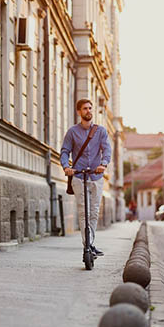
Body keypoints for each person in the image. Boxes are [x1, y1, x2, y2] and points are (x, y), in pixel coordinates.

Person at [60, 98, 112, 259]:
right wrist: (66, 167)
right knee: (83, 213)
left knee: (94, 213)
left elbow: (106, 149)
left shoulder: (101, 131)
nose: (88, 111)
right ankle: (87, 246)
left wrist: (103, 164)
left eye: (90, 108)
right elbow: (64, 151)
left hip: (96, 176)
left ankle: (90, 244)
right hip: (78, 176)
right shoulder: (72, 132)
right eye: (85, 109)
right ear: (79, 112)